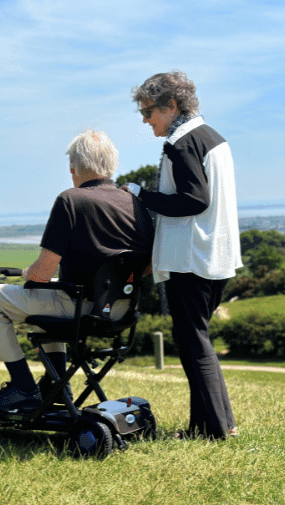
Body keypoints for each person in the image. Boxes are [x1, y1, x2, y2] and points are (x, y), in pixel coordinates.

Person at [0, 130, 154, 411]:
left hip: (81, 310)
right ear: (112, 164)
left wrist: (26, 274)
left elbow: (42, 273)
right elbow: (147, 265)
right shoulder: (135, 204)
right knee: (46, 297)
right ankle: (56, 384)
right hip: (121, 310)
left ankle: (22, 388)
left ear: (74, 168)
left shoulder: (71, 200)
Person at [123, 71, 241, 439]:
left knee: (193, 344)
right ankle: (218, 425)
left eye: (148, 111)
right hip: (216, 256)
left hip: (191, 259)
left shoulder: (182, 142)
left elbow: (194, 200)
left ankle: (213, 430)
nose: (145, 120)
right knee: (199, 342)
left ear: (171, 106)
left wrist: (141, 195)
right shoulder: (214, 138)